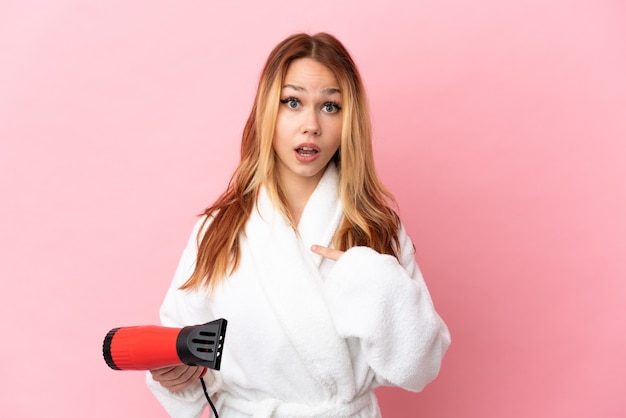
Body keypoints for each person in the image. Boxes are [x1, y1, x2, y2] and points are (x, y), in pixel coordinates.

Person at [146, 32, 450, 418]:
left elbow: (420, 366)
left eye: (330, 106)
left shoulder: (375, 228)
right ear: (267, 113)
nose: (311, 125)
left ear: (348, 119)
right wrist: (178, 376)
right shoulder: (217, 230)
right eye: (293, 102)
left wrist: (375, 281)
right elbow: (180, 349)